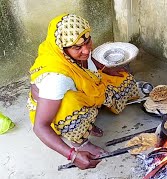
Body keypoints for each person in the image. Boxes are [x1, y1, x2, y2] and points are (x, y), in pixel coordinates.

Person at [26, 14, 139, 170]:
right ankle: (81, 142)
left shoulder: (75, 50)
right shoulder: (56, 79)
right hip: (56, 111)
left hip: (81, 87)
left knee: (125, 80)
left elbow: (90, 58)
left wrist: (105, 69)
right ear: (62, 49)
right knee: (70, 103)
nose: (86, 50)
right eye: (77, 47)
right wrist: (72, 155)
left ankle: (88, 119)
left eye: (88, 42)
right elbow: (40, 127)